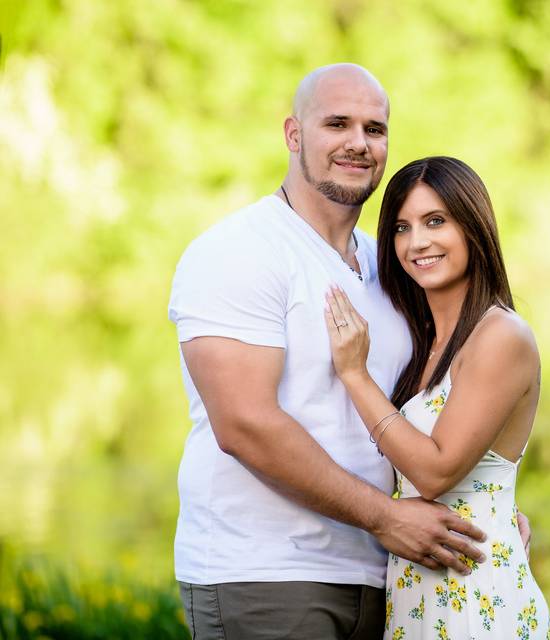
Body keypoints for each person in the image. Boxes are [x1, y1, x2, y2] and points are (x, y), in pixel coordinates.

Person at [168, 65, 523, 639]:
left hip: (390, 576)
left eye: (375, 129)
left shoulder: (394, 266)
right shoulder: (238, 252)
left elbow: (438, 414)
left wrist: (485, 511)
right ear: (294, 134)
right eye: (337, 124)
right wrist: (385, 518)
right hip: (269, 574)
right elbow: (244, 425)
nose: (359, 143)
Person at [325, 156, 550, 639]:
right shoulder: (424, 342)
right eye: (402, 228)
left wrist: (354, 375)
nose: (417, 242)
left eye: (436, 221)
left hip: (474, 592)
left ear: (473, 226)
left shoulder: (500, 335)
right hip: (418, 589)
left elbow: (433, 471)